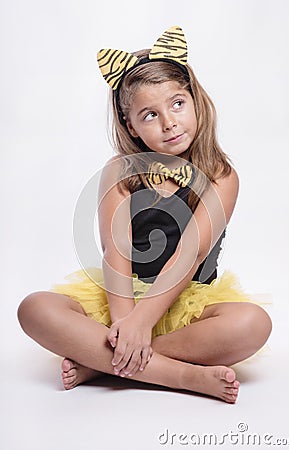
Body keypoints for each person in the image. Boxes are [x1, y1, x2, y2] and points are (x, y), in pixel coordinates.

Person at [17, 26, 272, 404]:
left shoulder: (220, 175)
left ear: (196, 101)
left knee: (253, 324)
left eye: (177, 104)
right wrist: (125, 323)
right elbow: (114, 252)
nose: (169, 122)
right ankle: (180, 375)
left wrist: (143, 324)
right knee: (34, 308)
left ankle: (101, 363)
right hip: (122, 301)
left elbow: (192, 253)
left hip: (185, 298)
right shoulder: (120, 172)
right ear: (131, 127)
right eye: (149, 115)